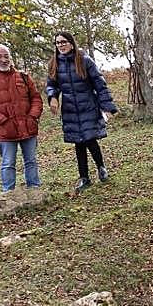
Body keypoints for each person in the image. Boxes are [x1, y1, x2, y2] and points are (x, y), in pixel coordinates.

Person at [45, 31, 118, 193]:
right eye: (58, 43)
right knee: (78, 143)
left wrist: (107, 106)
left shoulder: (84, 61)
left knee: (90, 140)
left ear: (71, 43)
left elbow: (99, 84)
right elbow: (51, 85)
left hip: (88, 106)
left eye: (63, 42)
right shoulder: (54, 63)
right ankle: (84, 177)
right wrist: (53, 97)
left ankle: (101, 168)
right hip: (70, 109)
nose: (61, 45)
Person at [0, 42, 44, 192]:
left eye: (6, 56)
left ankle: (35, 190)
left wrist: (33, 116)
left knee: (31, 161)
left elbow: (36, 98)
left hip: (28, 127)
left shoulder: (23, 77)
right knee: (8, 163)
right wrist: (2, 120)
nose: (4, 60)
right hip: (6, 130)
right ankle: (8, 194)